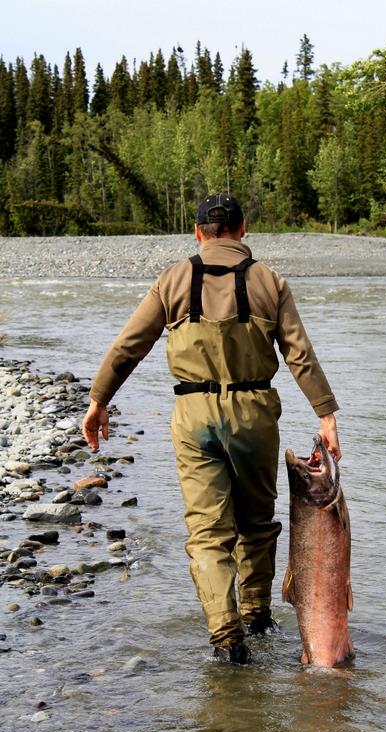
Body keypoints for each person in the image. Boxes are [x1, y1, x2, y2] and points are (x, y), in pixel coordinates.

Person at [82, 193, 341, 665]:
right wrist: (326, 414)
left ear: (198, 233)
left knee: (208, 532)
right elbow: (299, 355)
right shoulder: (269, 280)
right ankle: (258, 615)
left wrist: (99, 400)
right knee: (257, 524)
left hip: (194, 413)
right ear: (243, 230)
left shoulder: (173, 278)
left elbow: (128, 346)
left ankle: (226, 638)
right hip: (256, 414)